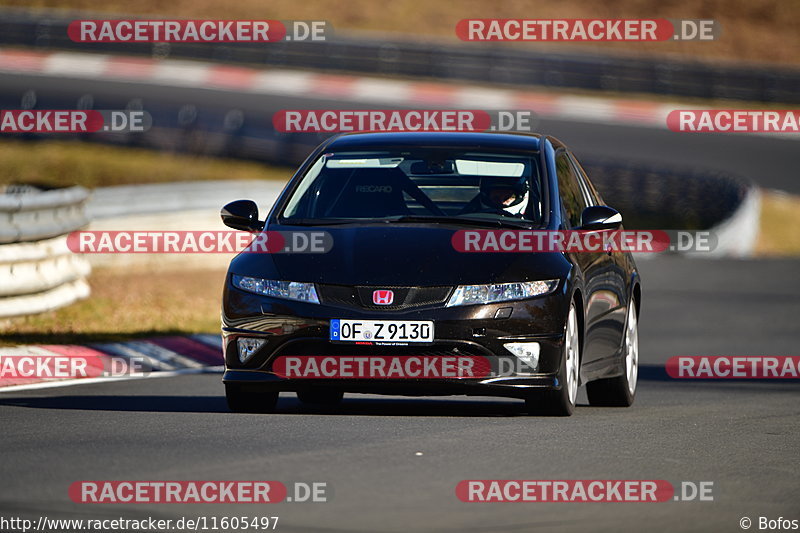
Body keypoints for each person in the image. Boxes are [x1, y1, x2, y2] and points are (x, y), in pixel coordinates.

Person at [460, 176, 529, 217]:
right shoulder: (468, 220)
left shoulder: (536, 223)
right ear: (486, 197)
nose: (502, 202)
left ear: (520, 196)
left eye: (507, 198)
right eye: (496, 198)